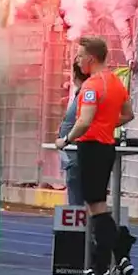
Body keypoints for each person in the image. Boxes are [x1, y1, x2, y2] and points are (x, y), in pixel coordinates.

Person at [55, 36, 136, 275]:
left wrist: (65, 140)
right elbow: (128, 114)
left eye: (79, 56)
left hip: (91, 148)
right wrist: (107, 124)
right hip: (106, 147)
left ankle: (103, 267)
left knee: (96, 208)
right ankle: (120, 257)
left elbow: (84, 121)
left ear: (90, 57)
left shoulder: (92, 86)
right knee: (98, 205)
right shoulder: (115, 82)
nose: (77, 60)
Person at [58, 61, 91, 206]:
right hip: (71, 151)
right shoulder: (80, 93)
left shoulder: (86, 93)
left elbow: (83, 122)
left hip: (76, 149)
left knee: (76, 185)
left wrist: (66, 139)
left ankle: (80, 224)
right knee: (73, 183)